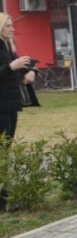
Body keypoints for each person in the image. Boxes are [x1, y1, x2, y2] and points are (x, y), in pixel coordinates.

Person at [0, 13, 35, 143]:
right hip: (2, 105)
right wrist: (10, 67)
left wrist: (31, 72)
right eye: (8, 26)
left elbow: (21, 67)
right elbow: (11, 68)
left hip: (11, 103)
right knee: (3, 146)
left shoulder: (8, 48)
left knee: (7, 144)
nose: (12, 29)